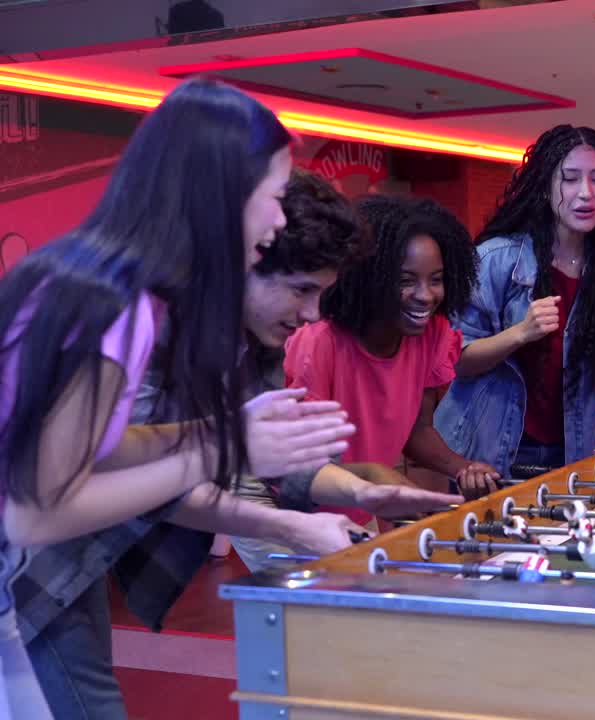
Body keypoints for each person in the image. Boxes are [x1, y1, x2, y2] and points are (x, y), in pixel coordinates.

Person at [15, 170, 461, 719]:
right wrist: (288, 524)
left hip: (70, 545)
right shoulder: (142, 320)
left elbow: (276, 459)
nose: (313, 314)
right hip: (31, 550)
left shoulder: (253, 339)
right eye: (302, 290)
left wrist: (357, 488)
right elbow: (148, 481)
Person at [0, 79, 353, 718]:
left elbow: (90, 448)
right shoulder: (117, 306)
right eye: (273, 197)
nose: (277, 222)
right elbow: (36, 513)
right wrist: (220, 448)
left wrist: (212, 436)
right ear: (221, 194)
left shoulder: (98, 280)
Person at [437, 125, 595, 475]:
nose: (586, 193)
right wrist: (520, 332)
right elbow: (453, 360)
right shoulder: (496, 259)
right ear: (545, 187)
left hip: (573, 455)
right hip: (488, 454)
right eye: (570, 178)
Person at [286, 194, 497, 504]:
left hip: (361, 500)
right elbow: (299, 467)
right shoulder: (319, 341)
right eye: (406, 280)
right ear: (370, 279)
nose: (425, 296)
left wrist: (463, 467)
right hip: (291, 506)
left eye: (436, 280)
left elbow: (418, 431)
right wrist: (374, 477)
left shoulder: (430, 335)